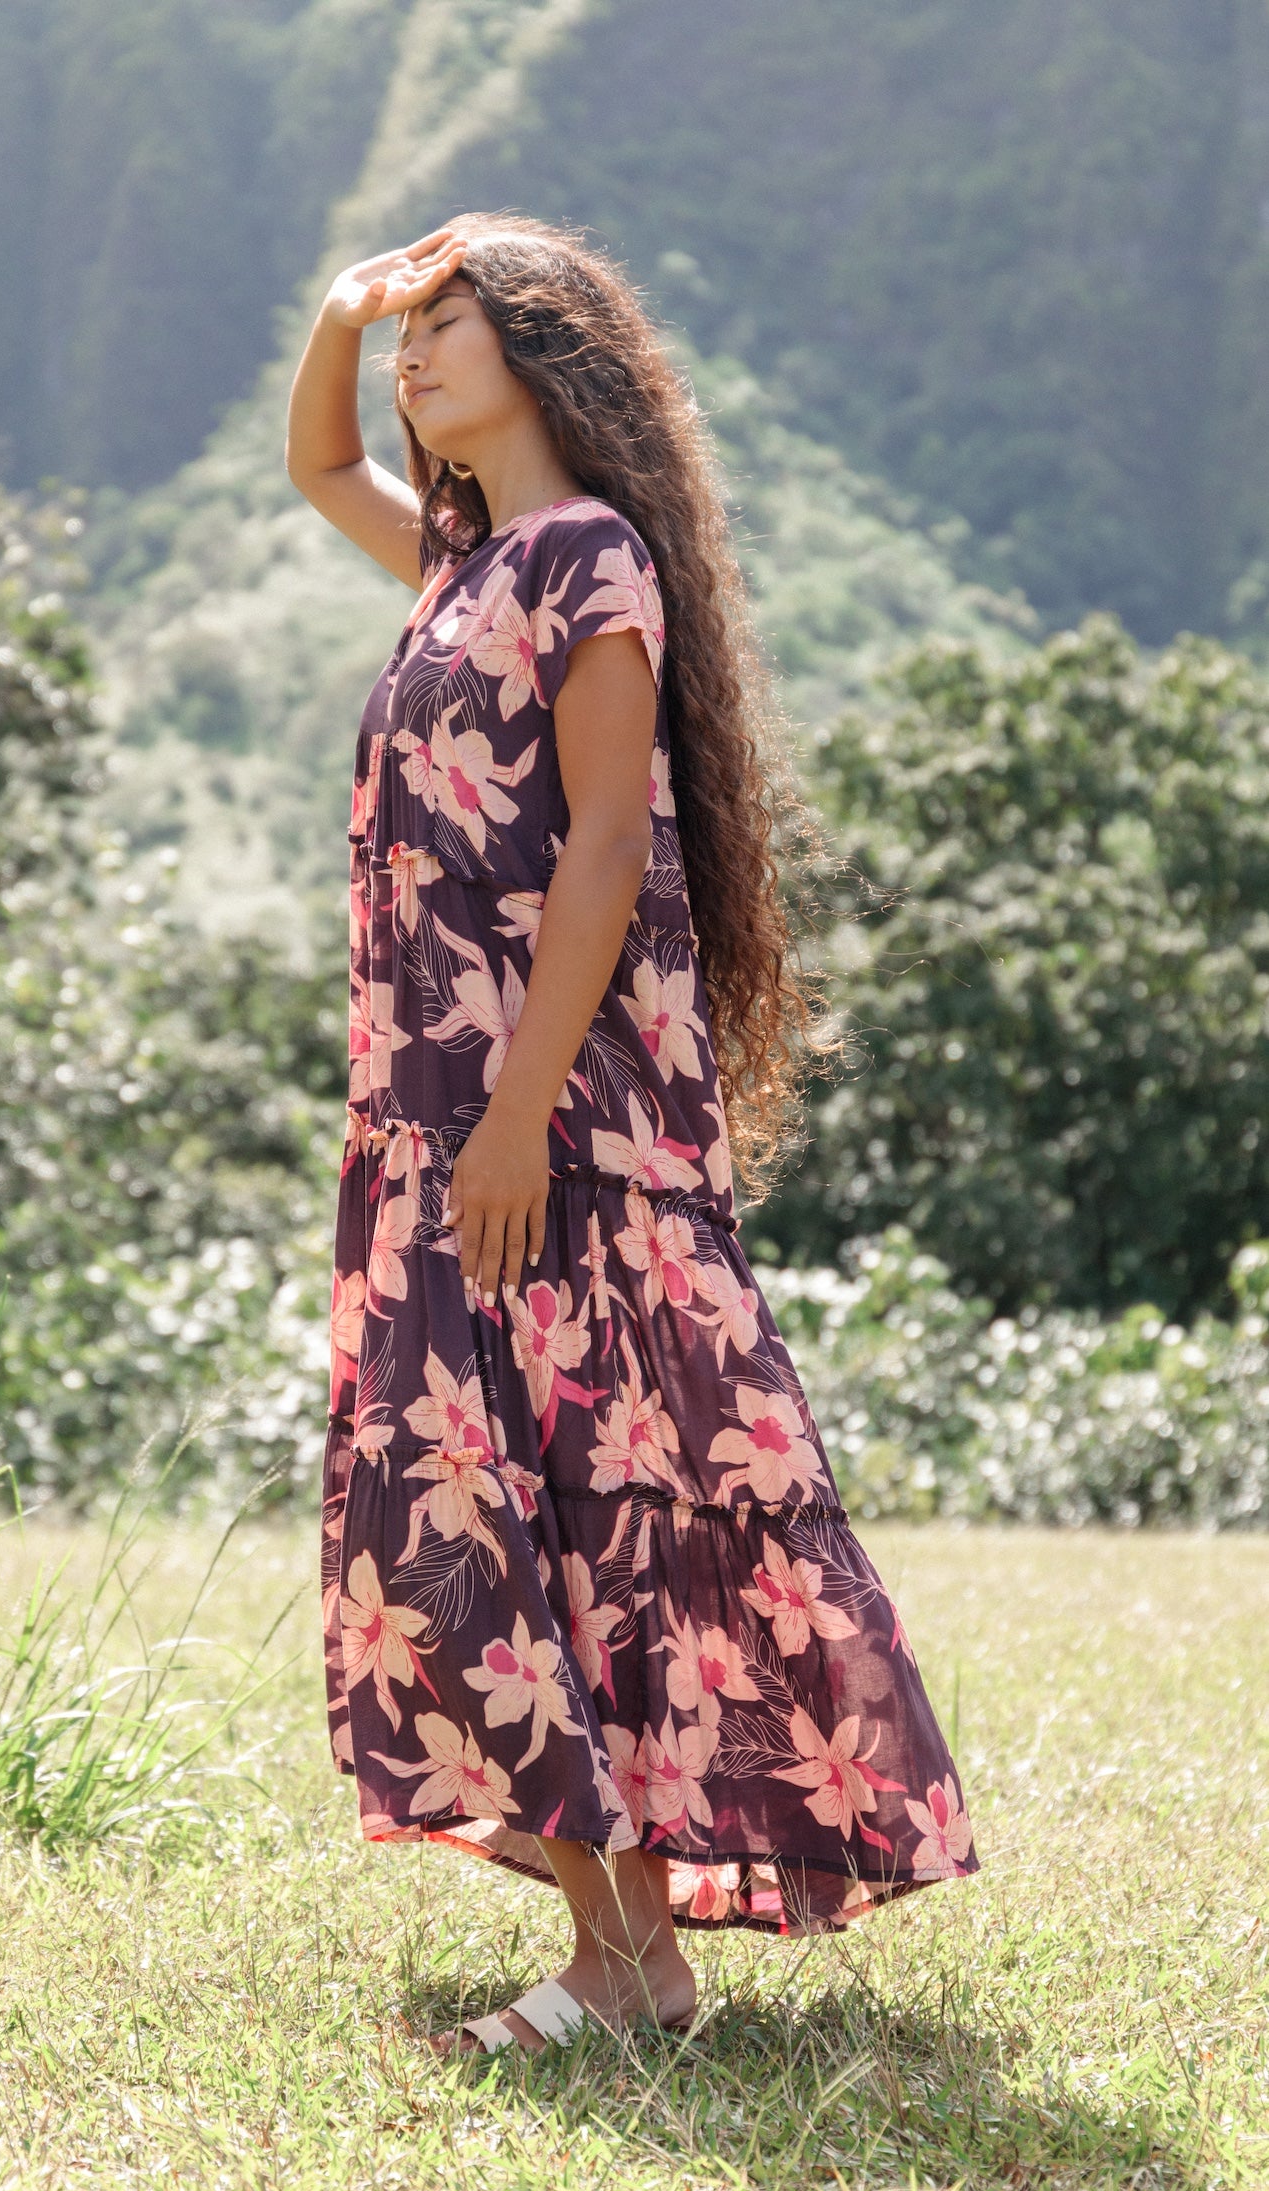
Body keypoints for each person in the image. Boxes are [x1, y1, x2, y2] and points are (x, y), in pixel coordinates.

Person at [286, 214, 978, 2059]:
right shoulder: (458, 564)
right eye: (409, 331)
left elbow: (604, 846)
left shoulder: (587, 561)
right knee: (480, 1494)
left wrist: (514, 1125)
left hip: (555, 1122)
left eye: (447, 329)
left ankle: (623, 1964)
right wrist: (341, 314)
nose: (416, 359)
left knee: (579, 1496)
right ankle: (630, 1954)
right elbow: (314, 462)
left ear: (543, 351)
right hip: (440, 1107)